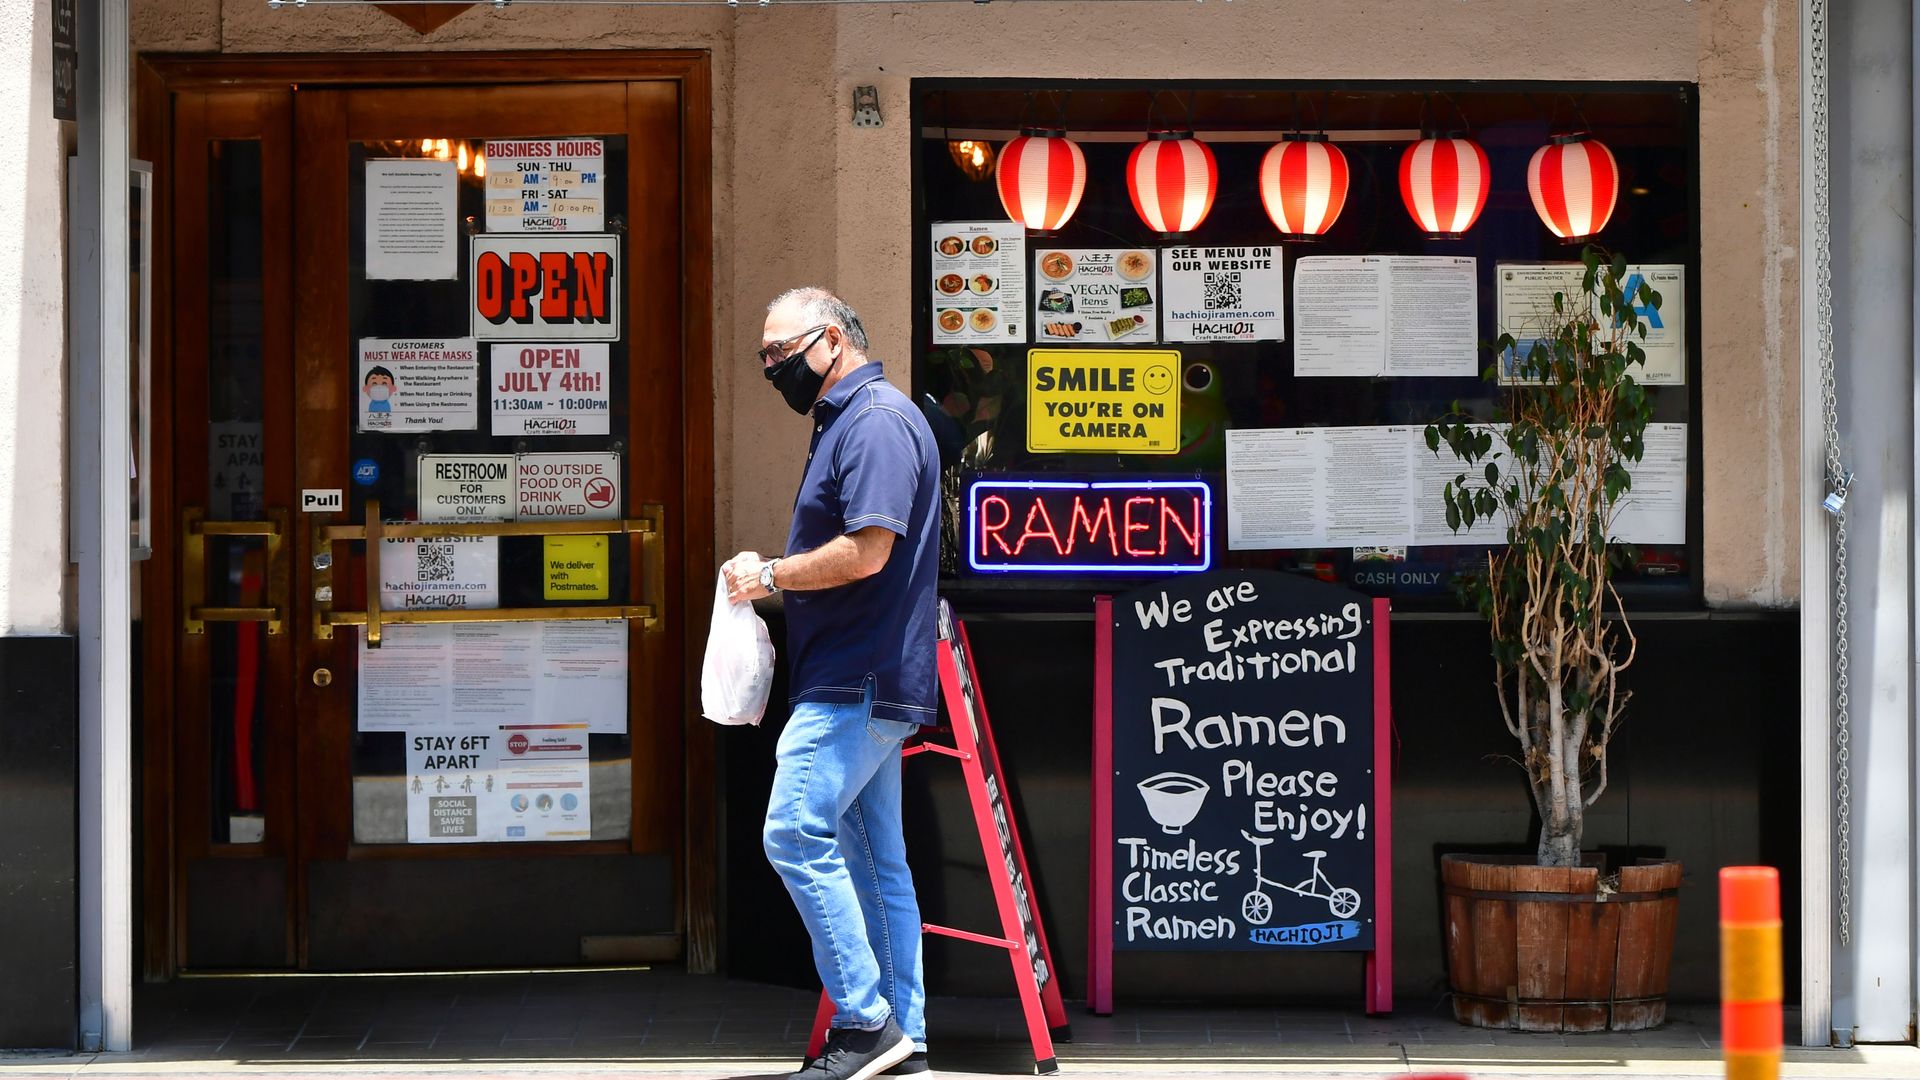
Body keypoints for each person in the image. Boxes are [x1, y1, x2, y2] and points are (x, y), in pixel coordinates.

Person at [724, 287, 940, 1080]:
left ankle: (865, 1021)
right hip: (865, 672)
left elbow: (869, 551)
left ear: (834, 340)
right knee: (877, 862)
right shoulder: (853, 419)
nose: (774, 368)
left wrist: (770, 576)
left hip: (858, 675)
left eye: (782, 353)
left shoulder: (875, 421)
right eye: (765, 359)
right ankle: (902, 1041)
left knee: (792, 832)